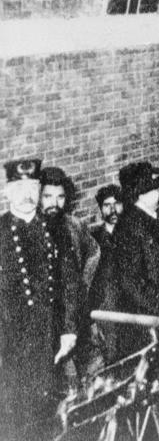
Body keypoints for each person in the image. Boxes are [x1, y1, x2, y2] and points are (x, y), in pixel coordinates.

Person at [1, 159, 79, 440]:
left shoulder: (55, 229)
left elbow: (71, 282)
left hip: (49, 338)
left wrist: (69, 328)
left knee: (46, 415)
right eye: (19, 187)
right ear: (8, 191)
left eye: (32, 186)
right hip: (10, 343)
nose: (27, 194)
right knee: (13, 414)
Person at [114, 161, 159, 358]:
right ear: (140, 195)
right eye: (155, 188)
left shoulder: (156, 218)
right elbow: (133, 284)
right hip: (147, 323)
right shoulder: (129, 228)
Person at [38, 166, 100, 387]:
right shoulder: (31, 232)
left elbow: (94, 252)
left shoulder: (73, 226)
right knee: (65, 384)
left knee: (94, 376)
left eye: (60, 197)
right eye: (48, 197)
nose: (54, 203)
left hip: (76, 317)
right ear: (38, 197)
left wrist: (82, 286)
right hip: (49, 326)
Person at [89, 184, 123, 365]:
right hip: (108, 308)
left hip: (132, 306)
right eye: (107, 205)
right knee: (111, 355)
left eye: (117, 204)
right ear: (101, 209)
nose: (112, 209)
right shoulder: (93, 240)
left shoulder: (131, 235)